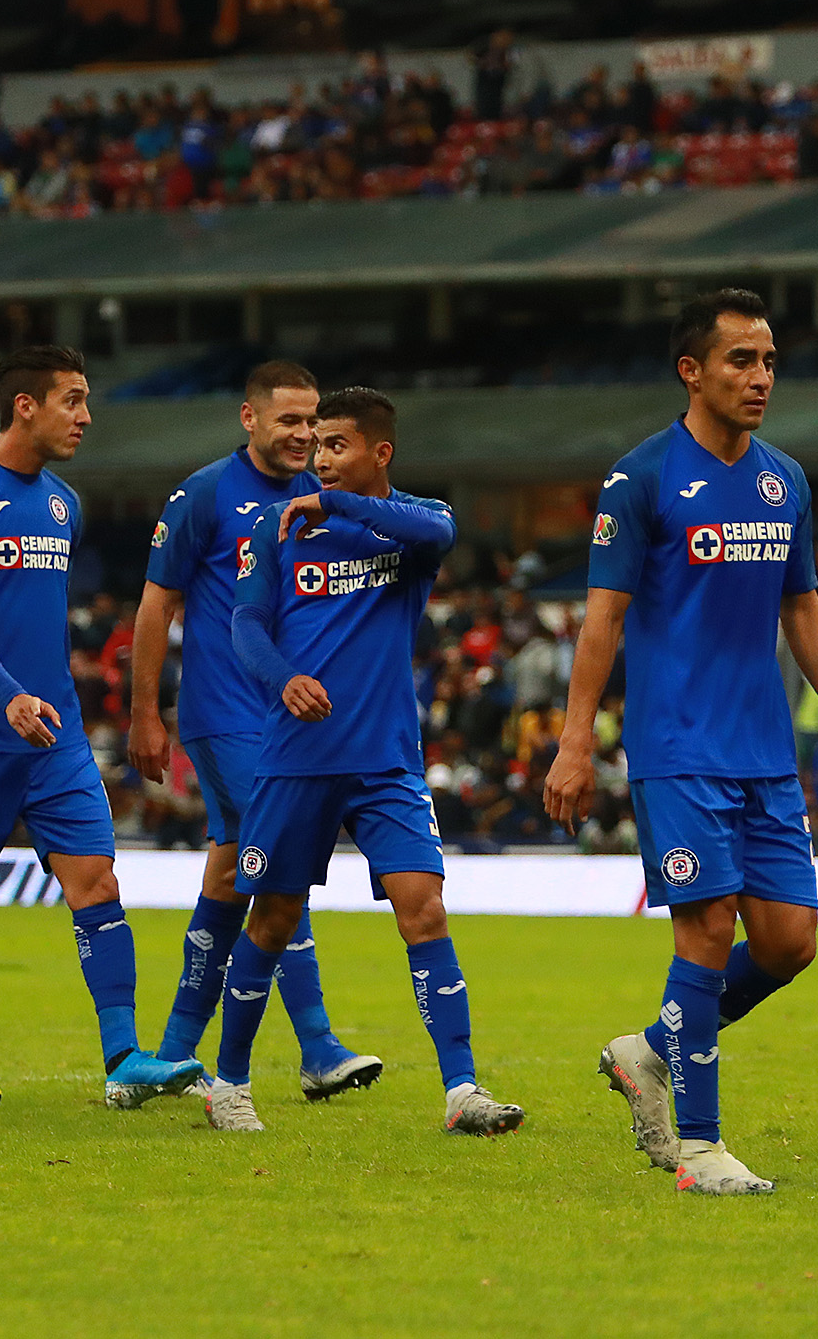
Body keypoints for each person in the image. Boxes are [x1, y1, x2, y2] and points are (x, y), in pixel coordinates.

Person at [545, 288, 818, 1196]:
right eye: (741, 360)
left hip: (765, 752)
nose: (761, 377)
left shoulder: (785, 479)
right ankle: (700, 1148)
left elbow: (802, 605)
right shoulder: (642, 477)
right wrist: (577, 741)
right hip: (677, 745)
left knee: (788, 944)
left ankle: (650, 1049)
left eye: (769, 360)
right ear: (691, 370)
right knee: (705, 932)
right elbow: (601, 619)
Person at [217, 388, 522, 1138]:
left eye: (337, 445)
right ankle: (229, 1083)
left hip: (385, 759)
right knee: (273, 918)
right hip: (296, 759)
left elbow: (441, 531)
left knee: (424, 909)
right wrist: (282, 677)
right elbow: (246, 624)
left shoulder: (408, 527)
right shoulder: (274, 528)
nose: (320, 458)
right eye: (317, 444)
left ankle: (462, 1090)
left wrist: (342, 509)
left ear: (379, 453)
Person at [0, 347, 203, 1109]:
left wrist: (45, 702)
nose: (86, 415)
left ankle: (122, 1058)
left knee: (98, 881)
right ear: (25, 406)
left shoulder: (66, 502)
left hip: (55, 736)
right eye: (73, 399)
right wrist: (8, 694)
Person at [129, 362, 381, 1100]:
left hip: (290, 720)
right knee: (282, 866)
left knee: (231, 871)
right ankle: (318, 1044)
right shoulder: (205, 493)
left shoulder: (321, 497)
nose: (305, 435)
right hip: (225, 712)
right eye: (290, 421)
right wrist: (146, 712)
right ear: (250, 418)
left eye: (313, 422)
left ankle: (173, 1053)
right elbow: (155, 606)